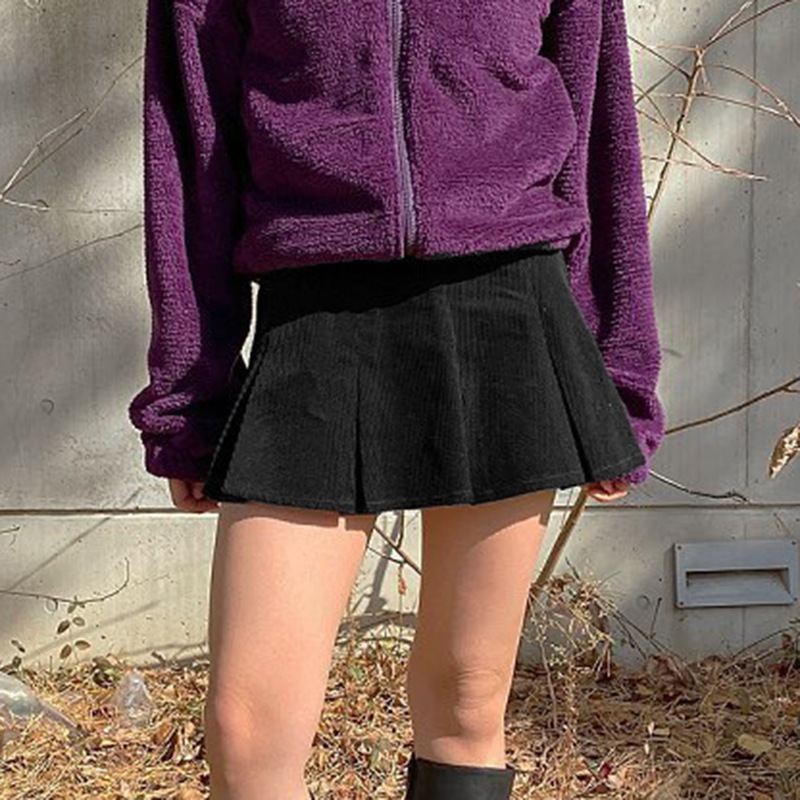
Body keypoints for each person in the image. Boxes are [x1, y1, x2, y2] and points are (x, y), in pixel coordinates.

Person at [129, 0, 666, 798]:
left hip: (507, 312)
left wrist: (618, 373)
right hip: (315, 318)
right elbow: (191, 153)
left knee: (465, 699)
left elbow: (600, 140)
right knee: (247, 732)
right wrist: (190, 395)